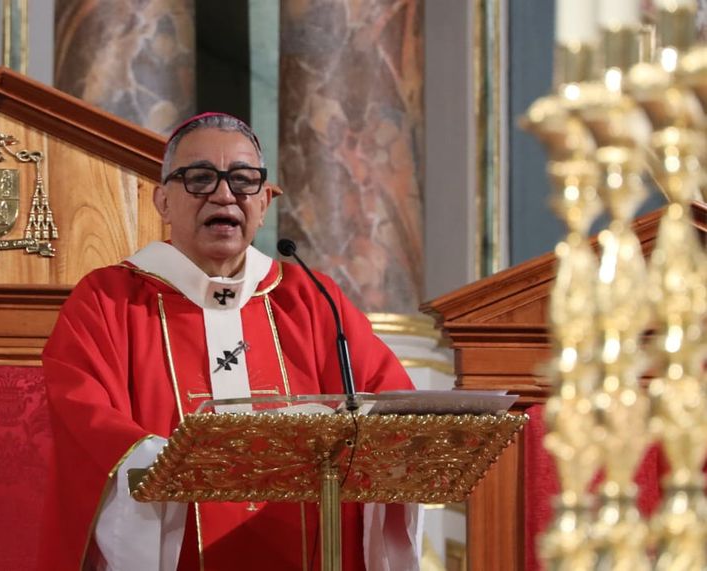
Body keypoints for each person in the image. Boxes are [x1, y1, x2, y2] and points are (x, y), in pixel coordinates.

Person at [39, 112, 422, 570]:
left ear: (264, 201)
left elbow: (393, 408)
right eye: (200, 178)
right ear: (163, 201)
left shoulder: (311, 299)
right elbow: (87, 424)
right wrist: (192, 460)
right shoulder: (108, 300)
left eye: (242, 180)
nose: (224, 195)